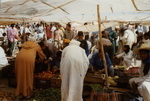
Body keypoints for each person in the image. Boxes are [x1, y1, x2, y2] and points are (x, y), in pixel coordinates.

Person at [15, 35, 45, 99]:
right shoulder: (36, 45)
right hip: (29, 60)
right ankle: (28, 93)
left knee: (20, 75)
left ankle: (20, 92)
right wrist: (40, 60)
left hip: (19, 59)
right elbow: (42, 56)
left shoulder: (24, 44)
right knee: (28, 75)